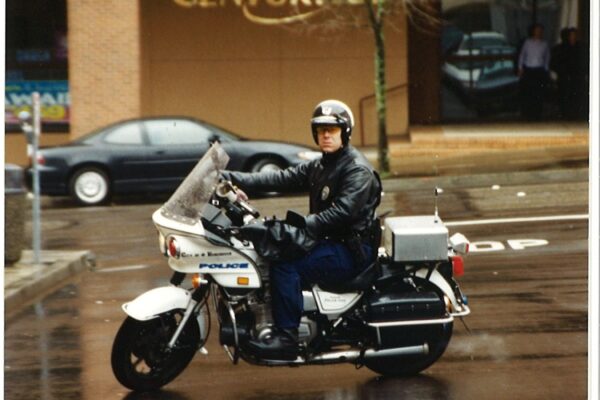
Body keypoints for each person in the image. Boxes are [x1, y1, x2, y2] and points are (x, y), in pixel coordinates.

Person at [221, 99, 381, 360]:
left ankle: (287, 338)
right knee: (269, 250)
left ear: (345, 132)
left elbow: (341, 213)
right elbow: (279, 177)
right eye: (320, 130)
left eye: (332, 129)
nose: (326, 135)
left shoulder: (356, 170)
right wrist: (231, 177)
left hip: (350, 251)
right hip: (328, 241)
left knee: (285, 263)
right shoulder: (322, 164)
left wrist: (297, 226)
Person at [551, 27, 586, 120]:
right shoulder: (559, 48)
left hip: (577, 77)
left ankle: (575, 114)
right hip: (564, 76)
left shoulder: (581, 48)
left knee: (576, 95)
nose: (573, 37)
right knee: (563, 95)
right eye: (571, 35)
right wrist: (561, 71)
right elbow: (553, 63)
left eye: (575, 35)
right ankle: (564, 114)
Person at [518, 23, 550, 120]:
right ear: (533, 31)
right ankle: (527, 114)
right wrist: (520, 68)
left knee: (538, 93)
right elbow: (522, 55)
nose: (538, 32)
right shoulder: (528, 42)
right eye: (537, 30)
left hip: (539, 70)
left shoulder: (544, 44)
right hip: (529, 70)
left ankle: (537, 114)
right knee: (528, 92)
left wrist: (546, 69)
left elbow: (547, 58)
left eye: (540, 30)